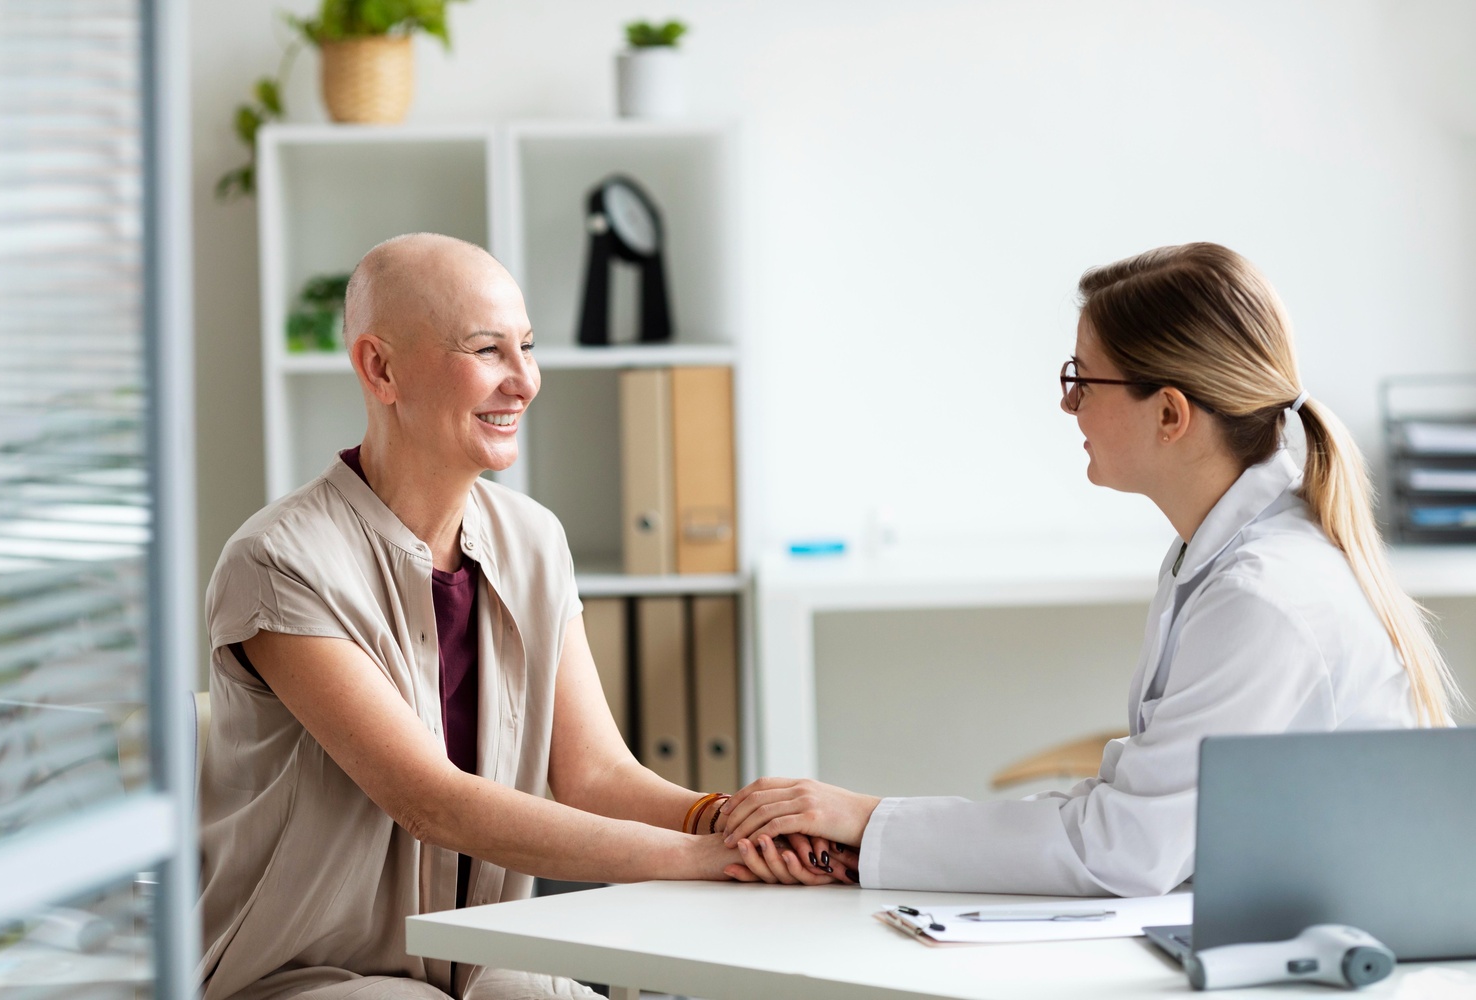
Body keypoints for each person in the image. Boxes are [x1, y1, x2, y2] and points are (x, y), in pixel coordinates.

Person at [717, 242, 1463, 897]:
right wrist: (873, 832)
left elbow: (1124, 850)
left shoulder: (1263, 596)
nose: (1068, 403)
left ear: (1169, 414)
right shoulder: (1218, 557)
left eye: (1083, 378)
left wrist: (870, 820)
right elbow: (1131, 818)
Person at [196, 233, 759, 1000]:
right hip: (311, 974)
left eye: (527, 346)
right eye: (487, 350)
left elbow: (595, 774)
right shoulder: (280, 561)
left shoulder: (534, 540)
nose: (524, 381)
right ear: (380, 368)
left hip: (481, 960)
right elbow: (430, 800)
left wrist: (733, 823)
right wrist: (701, 862)